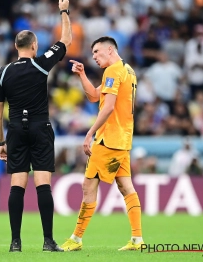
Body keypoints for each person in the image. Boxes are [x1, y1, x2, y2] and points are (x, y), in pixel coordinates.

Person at [0, 0, 72, 252]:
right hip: (40, 127)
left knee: (17, 185)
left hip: (15, 129)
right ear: (34, 46)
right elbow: (66, 40)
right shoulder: (41, 64)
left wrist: (0, 142)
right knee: (43, 185)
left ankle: (15, 243)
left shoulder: (3, 73)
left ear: (17, 46)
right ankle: (48, 241)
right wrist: (64, 11)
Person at [60, 37, 144, 251]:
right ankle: (137, 239)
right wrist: (81, 74)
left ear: (110, 49)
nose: (94, 57)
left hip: (108, 140)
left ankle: (76, 239)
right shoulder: (128, 70)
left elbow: (107, 108)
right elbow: (95, 96)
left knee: (88, 187)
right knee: (126, 187)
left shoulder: (113, 71)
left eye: (97, 52)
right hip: (123, 139)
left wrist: (89, 133)